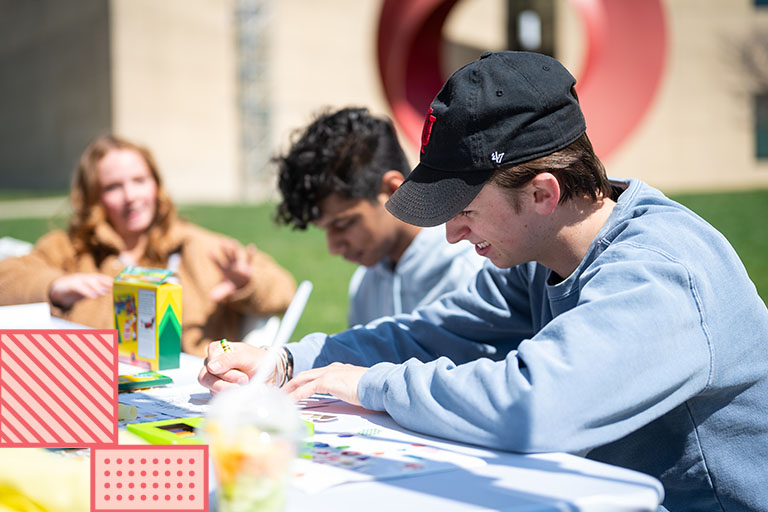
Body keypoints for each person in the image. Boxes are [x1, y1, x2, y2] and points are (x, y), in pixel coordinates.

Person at [199, 52, 768, 510]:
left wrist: (370, 383)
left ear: (543, 193)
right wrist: (291, 362)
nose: (450, 235)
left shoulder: (661, 270)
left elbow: (535, 408)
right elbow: (428, 334)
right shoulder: (541, 257)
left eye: (463, 208)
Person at [0, 134, 296, 357]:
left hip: (193, 394)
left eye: (139, 180)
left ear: (156, 185)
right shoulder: (70, 249)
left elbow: (285, 290)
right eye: (113, 187)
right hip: (93, 389)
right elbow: (8, 277)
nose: (131, 196)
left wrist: (247, 284)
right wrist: (55, 287)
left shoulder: (197, 246)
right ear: (93, 196)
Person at [274, 107, 485, 327]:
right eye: (324, 229)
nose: (333, 247)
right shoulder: (366, 283)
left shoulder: (471, 275)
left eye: (343, 224)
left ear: (393, 190)